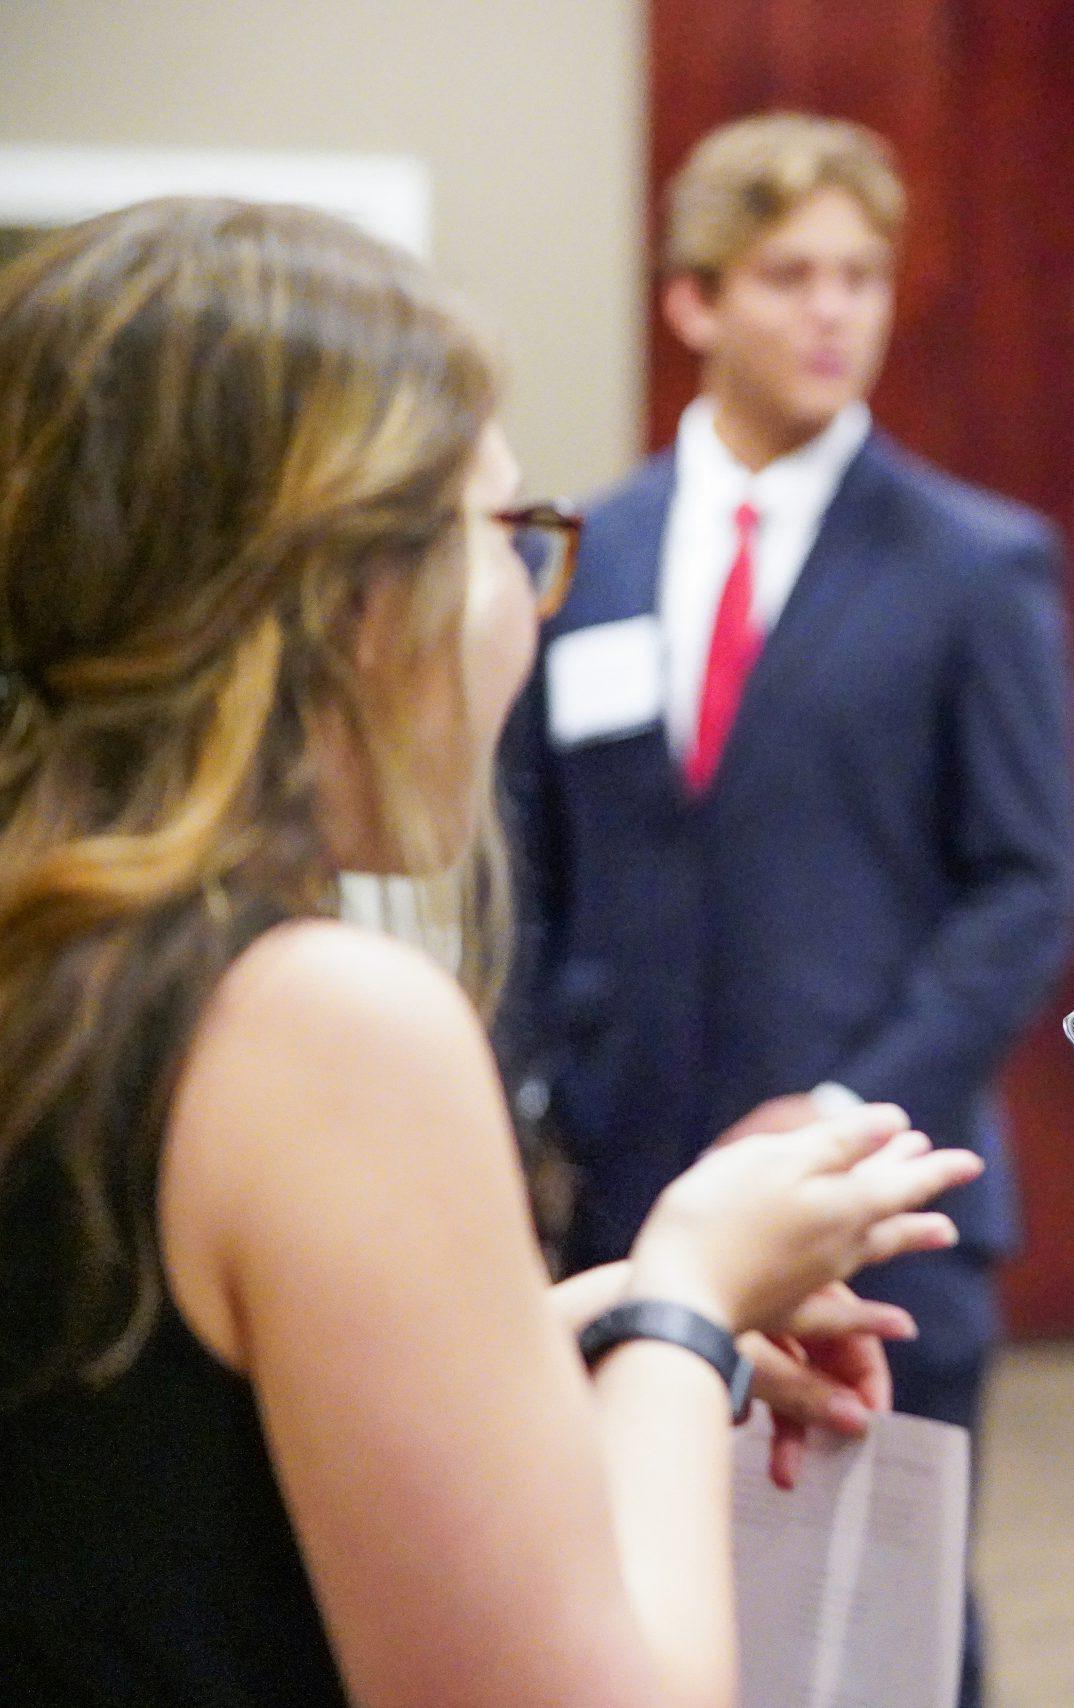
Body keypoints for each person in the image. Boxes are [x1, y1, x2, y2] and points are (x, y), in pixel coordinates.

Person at [0, 196, 983, 1708]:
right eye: (506, 536)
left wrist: (540, 1338)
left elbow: (136, 1446)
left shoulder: (60, 945)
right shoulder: (318, 1023)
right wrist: (686, 1302)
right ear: (348, 590)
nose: (525, 607)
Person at [502, 113, 1074, 1706]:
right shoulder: (582, 554)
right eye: (789, 276)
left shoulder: (978, 561)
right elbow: (532, 869)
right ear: (694, 303)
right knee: (628, 1617)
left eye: (861, 276)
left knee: (878, 1635)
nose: (834, 311)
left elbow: (1029, 882)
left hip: (879, 1199)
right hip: (626, 1200)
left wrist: (837, 1110)